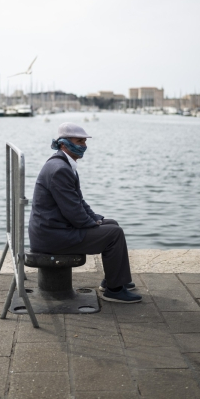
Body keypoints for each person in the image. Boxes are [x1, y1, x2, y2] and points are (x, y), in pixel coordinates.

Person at [28, 122, 142, 303]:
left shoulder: (64, 163)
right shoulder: (60, 169)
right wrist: (93, 224)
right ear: (63, 143)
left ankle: (114, 279)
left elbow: (79, 201)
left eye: (84, 141)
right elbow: (74, 212)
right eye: (79, 141)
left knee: (112, 224)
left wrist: (97, 219)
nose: (84, 145)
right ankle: (113, 289)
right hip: (51, 237)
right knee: (114, 234)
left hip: (54, 229)